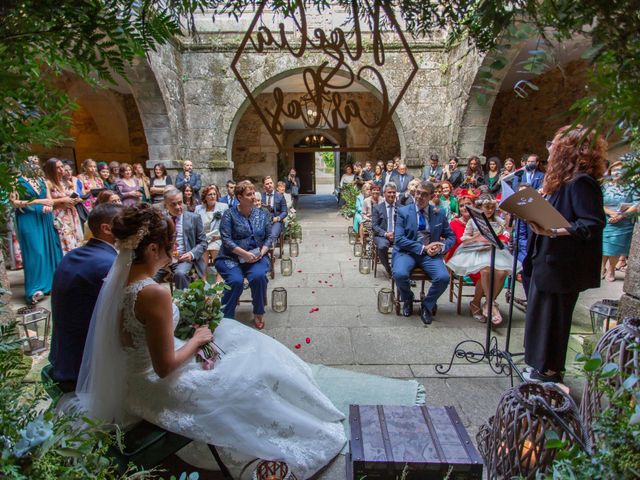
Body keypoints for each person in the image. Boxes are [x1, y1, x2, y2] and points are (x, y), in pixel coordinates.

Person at [75, 203, 346, 479]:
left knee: (236, 336)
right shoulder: (152, 293)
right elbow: (164, 368)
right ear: (152, 249)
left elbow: (139, 335)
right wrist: (197, 338)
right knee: (250, 375)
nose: (174, 250)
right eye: (169, 244)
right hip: (153, 383)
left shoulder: (115, 279)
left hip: (130, 376)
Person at [523, 125, 606, 383]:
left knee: (553, 321)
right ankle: (540, 366)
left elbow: (592, 222)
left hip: (562, 265)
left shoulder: (581, 182)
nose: (550, 150)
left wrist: (557, 231)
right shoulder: (563, 182)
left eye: (555, 146)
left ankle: (550, 372)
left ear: (567, 151)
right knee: (542, 316)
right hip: (547, 260)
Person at [49, 203, 122, 387]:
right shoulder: (110, 264)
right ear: (106, 229)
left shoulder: (72, 255)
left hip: (61, 357)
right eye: (124, 222)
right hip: (84, 368)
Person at [392, 181, 456, 325]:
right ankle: (407, 298)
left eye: (424, 194)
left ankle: (427, 305)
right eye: (418, 193)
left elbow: (451, 237)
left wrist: (441, 247)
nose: (419, 197)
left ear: (431, 196)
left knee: (443, 278)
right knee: (400, 274)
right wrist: (423, 248)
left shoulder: (438, 213)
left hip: (430, 255)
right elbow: (399, 239)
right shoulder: (403, 212)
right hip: (407, 252)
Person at [215, 180, 277, 327]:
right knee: (235, 281)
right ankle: (225, 317)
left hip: (257, 257)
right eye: (249, 195)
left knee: (258, 276)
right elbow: (226, 240)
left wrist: (262, 252)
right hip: (230, 257)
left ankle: (258, 312)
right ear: (239, 197)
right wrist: (244, 254)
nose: (254, 197)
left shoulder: (262, 214)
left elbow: (270, 236)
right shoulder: (229, 215)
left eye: (253, 193)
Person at [446, 193, 515, 325]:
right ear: (480, 207)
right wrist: (476, 237)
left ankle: (489, 303)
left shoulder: (498, 222)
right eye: (486, 207)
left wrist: (505, 227)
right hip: (476, 251)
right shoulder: (473, 221)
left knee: (502, 272)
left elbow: (507, 232)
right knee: (485, 271)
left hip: (494, 250)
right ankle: (482, 303)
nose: (489, 210)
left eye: (491, 207)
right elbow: (464, 239)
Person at [10, 156, 63, 304]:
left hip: (44, 217)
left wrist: (48, 205)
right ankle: (34, 289)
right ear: (23, 163)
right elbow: (14, 202)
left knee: (50, 250)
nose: (33, 164)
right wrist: (38, 201)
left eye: (35, 162)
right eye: (29, 161)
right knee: (36, 252)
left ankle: (52, 285)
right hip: (28, 218)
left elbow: (49, 200)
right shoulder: (16, 181)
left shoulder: (43, 181)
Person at [153, 187, 208, 290]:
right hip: (164, 260)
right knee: (147, 279)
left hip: (184, 259)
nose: (178, 207)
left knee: (180, 274)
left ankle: (182, 303)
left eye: (180, 203)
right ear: (166, 205)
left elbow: (203, 242)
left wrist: (191, 254)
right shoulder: (160, 220)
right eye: (173, 204)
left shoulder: (194, 218)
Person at [601, 161, 639, 282]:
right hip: (606, 219)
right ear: (611, 172)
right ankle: (601, 268)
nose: (618, 172)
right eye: (615, 170)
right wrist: (611, 213)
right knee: (603, 246)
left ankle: (611, 269)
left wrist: (621, 215)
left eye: (621, 170)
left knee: (615, 247)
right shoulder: (605, 186)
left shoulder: (631, 187)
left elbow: (637, 203)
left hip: (624, 221)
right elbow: (598, 202)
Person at [43, 158, 84, 253]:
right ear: (51, 169)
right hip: (59, 215)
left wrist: (75, 199)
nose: (62, 170)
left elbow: (70, 194)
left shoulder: (64, 182)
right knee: (66, 240)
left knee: (75, 239)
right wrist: (62, 200)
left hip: (71, 213)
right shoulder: (48, 183)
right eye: (58, 168)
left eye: (62, 167)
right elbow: (48, 201)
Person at [194, 184, 229, 270]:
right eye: (210, 194)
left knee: (215, 248)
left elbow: (227, 226)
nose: (213, 196)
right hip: (203, 239)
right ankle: (204, 280)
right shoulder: (198, 209)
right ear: (205, 197)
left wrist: (219, 237)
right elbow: (195, 227)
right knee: (202, 251)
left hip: (217, 238)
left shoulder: (223, 207)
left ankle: (219, 281)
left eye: (214, 194)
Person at [371, 182, 397, 276]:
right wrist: (386, 234)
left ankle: (400, 269)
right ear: (384, 193)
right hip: (382, 236)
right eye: (389, 192)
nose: (392, 195)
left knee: (406, 245)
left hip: (397, 235)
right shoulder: (377, 208)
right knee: (382, 246)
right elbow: (374, 226)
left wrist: (396, 234)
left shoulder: (400, 208)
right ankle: (389, 269)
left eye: (394, 192)